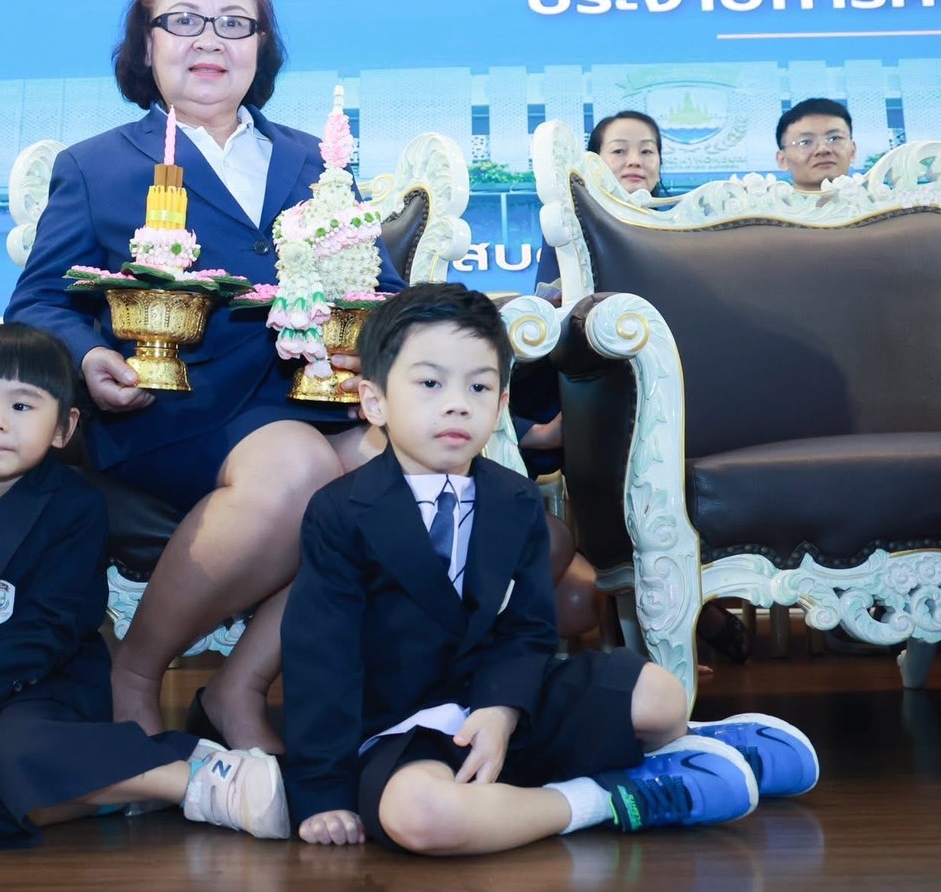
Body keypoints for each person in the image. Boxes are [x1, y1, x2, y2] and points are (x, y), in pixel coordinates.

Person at [6, 0, 405, 753]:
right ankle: (135, 671)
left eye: (233, 22)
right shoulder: (97, 167)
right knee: (295, 464)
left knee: (394, 472)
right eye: (183, 20)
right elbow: (38, 302)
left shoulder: (315, 160)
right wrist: (90, 359)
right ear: (145, 42)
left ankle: (237, 685)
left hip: (311, 396)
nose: (209, 40)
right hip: (172, 412)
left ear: (261, 45)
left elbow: (384, 288)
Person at [281, 284, 820, 854]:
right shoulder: (340, 513)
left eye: (478, 387)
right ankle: (616, 796)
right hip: (403, 731)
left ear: (501, 405)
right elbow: (321, 659)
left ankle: (688, 745)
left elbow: (528, 628)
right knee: (424, 818)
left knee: (661, 697)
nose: (457, 404)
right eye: (430, 384)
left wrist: (501, 709)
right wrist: (322, 795)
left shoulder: (514, 500)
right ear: (374, 402)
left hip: (508, 702)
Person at [0, 322, 290, 854]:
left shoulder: (73, 506)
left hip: (41, 691)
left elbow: (46, 629)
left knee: (13, 749)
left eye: (21, 406)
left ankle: (196, 779)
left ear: (63, 427)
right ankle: (124, 785)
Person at [526, 110, 751, 663]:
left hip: (689, 386)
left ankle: (690, 617)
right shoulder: (569, 231)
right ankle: (677, 629)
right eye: (619, 149)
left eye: (647, 150)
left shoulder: (686, 224)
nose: (635, 160)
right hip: (599, 388)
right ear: (594, 161)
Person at [775, 97, 856, 194]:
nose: (823, 149)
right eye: (805, 142)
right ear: (782, 160)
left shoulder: (871, 202)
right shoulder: (767, 204)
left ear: (853, 151)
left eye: (834, 138)